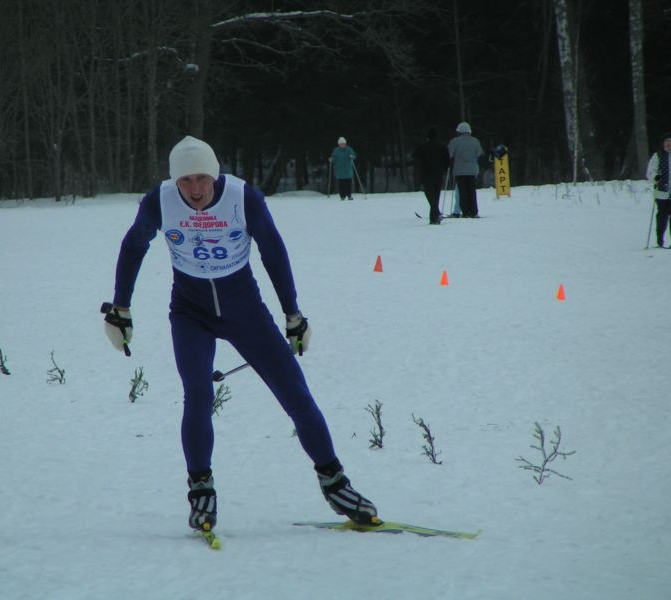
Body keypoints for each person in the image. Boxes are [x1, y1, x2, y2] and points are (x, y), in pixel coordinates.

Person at [103, 135, 378, 533]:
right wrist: (120, 308)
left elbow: (274, 251)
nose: (195, 189)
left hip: (245, 312)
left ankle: (335, 483)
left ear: (215, 175)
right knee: (198, 393)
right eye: (186, 181)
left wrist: (293, 315)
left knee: (295, 395)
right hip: (190, 313)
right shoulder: (158, 200)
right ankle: (201, 491)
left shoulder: (243, 197)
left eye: (202, 178)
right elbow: (133, 246)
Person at [412, 127, 450, 224]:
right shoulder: (442, 147)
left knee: (431, 198)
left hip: (426, 175)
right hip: (438, 175)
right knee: (436, 197)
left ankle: (434, 218)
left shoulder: (423, 147)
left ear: (427, 137)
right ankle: (436, 216)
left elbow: (414, 155)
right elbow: (448, 161)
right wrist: (444, 169)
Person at [447, 122, 485, 218]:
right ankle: (474, 211)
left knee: (462, 191)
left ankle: (465, 212)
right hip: (472, 171)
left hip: (459, 171)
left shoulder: (455, 141)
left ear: (459, 131)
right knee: (472, 191)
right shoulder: (475, 141)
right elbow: (479, 153)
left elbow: (449, 154)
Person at [646, 132, 671, 248]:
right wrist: (655, 177)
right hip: (661, 192)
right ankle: (660, 240)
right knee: (662, 216)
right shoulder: (658, 156)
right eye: (667, 142)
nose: (669, 144)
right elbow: (651, 171)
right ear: (663, 144)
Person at [329, 136, 357, 200]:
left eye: (343, 143)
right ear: (338, 144)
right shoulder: (336, 150)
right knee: (341, 185)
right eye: (341, 144)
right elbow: (333, 157)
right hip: (339, 171)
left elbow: (354, 155)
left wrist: (352, 156)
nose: (342, 145)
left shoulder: (349, 149)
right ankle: (342, 196)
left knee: (348, 184)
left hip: (348, 170)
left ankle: (349, 196)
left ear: (345, 143)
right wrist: (332, 159)